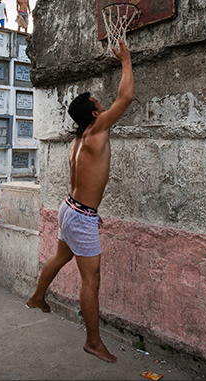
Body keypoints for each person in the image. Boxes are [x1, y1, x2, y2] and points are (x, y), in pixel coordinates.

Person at [26, 38, 133, 363]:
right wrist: (126, 60)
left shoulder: (79, 140)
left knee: (60, 258)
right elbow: (126, 96)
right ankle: (93, 341)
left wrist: (88, 213)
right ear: (95, 112)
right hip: (79, 214)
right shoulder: (97, 129)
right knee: (92, 280)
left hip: (70, 209)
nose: (103, 104)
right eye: (99, 102)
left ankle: (37, 297)